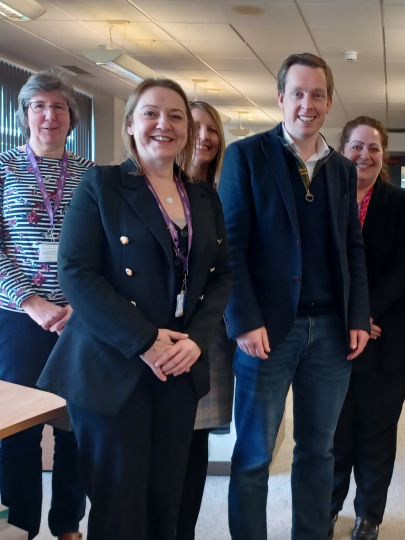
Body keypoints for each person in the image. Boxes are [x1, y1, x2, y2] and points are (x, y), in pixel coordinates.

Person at [37, 78, 232, 540]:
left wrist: (196, 342)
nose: (164, 124)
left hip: (177, 368)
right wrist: (145, 341)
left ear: (187, 129)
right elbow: (77, 273)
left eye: (176, 115)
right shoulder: (101, 185)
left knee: (167, 499)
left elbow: (222, 275)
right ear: (130, 124)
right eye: (151, 113)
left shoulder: (203, 197)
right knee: (120, 504)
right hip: (114, 366)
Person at [218, 52, 370, 540]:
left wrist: (358, 317)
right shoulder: (246, 156)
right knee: (255, 453)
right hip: (266, 330)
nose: (308, 104)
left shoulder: (343, 169)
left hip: (330, 332)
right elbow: (231, 247)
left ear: (329, 102)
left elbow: (352, 247)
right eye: (298, 93)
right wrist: (242, 319)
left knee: (318, 449)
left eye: (318, 95)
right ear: (281, 98)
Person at [0, 70, 90, 540]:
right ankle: (20, 527)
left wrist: (81, 306)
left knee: (74, 427)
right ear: (24, 116)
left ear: (71, 117)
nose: (49, 115)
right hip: (18, 318)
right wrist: (30, 300)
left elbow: (103, 246)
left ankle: (67, 525)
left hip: (79, 320)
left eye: (59, 107)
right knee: (19, 429)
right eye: (39, 106)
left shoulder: (90, 173)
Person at [329, 116, 405, 540]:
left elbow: (404, 268)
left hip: (386, 334)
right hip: (332, 338)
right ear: (341, 149)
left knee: (377, 430)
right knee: (334, 432)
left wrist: (365, 313)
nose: (364, 155)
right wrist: (348, 315)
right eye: (356, 146)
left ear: (383, 154)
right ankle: (327, 509)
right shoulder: (324, 199)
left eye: (373, 148)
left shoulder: (400, 204)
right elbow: (314, 266)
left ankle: (369, 516)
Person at [175, 100, 236, 540]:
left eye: (211, 128)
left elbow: (225, 270)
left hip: (206, 335)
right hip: (156, 338)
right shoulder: (141, 187)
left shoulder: (215, 195)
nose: (205, 136)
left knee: (195, 441)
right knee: (159, 445)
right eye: (194, 126)